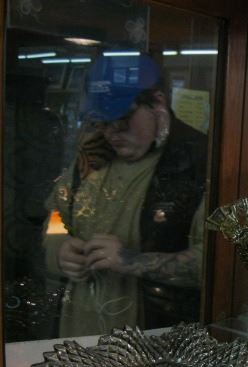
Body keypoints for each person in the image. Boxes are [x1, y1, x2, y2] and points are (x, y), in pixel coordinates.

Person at [45, 53, 207, 336]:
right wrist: (59, 248)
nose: (111, 132)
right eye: (101, 122)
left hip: (156, 340)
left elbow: (218, 264)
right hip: (77, 332)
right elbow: (56, 214)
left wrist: (131, 261)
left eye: (122, 119)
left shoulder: (201, 162)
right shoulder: (91, 156)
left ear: (158, 103)